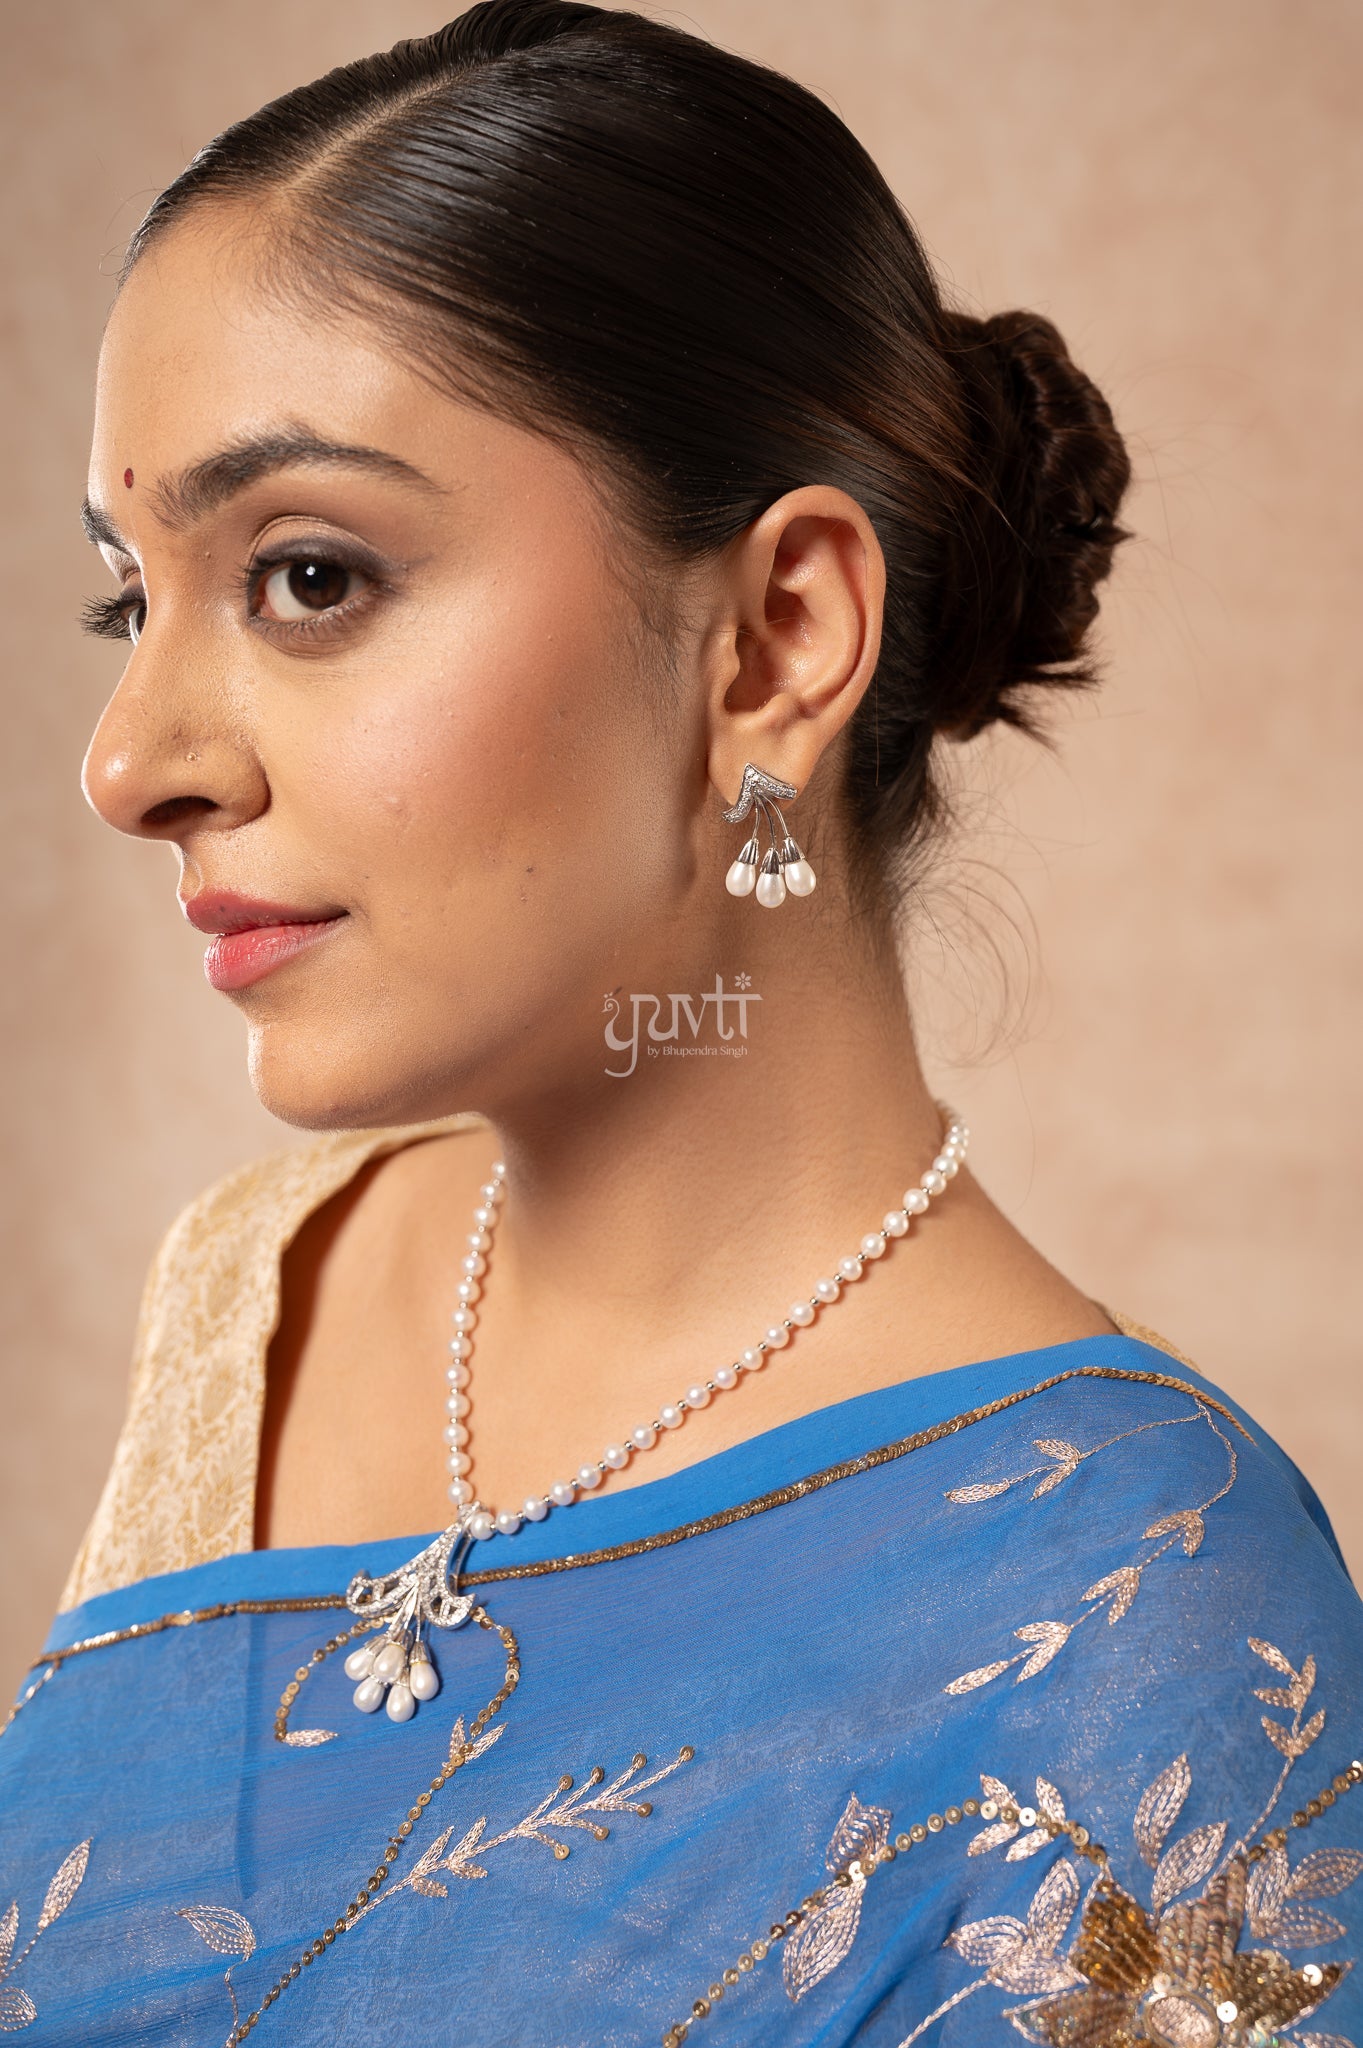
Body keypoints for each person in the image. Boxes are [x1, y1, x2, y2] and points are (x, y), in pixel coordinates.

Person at [5, 4, 1359, 2042]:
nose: (130, 763)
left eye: (307, 577)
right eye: (134, 600)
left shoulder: (1150, 1604)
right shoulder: (251, 1297)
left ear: (777, 641)